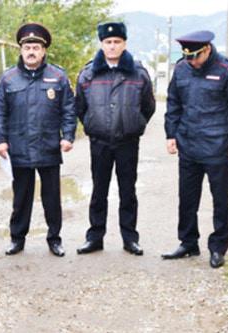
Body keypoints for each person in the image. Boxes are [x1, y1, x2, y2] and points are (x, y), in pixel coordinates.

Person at [161, 30, 228, 268]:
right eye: (187, 57)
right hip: (189, 145)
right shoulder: (182, 69)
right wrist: (171, 134)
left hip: (218, 147)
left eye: (195, 57)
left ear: (208, 49)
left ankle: (218, 248)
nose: (191, 61)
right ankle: (188, 242)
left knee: (220, 200)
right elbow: (173, 103)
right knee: (187, 198)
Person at [0, 23, 76, 257]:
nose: (31, 51)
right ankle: (17, 239)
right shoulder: (8, 79)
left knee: (52, 198)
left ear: (44, 51)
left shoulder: (58, 77)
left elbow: (69, 109)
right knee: (21, 198)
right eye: (27, 46)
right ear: (20, 50)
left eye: (36, 47)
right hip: (18, 148)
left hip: (48, 146)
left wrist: (68, 135)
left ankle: (54, 239)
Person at [75, 22, 155, 256]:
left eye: (117, 42)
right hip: (99, 142)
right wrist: (92, 124)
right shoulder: (88, 73)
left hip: (127, 142)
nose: (112, 46)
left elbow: (148, 106)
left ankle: (130, 238)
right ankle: (95, 237)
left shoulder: (138, 73)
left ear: (124, 44)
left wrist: (135, 124)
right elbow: (80, 106)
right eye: (108, 42)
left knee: (127, 191)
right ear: (102, 44)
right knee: (99, 191)